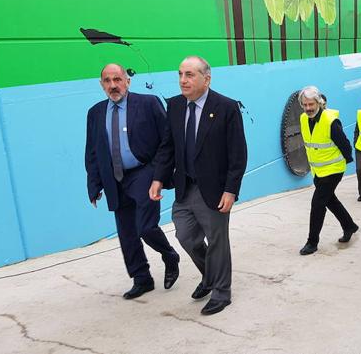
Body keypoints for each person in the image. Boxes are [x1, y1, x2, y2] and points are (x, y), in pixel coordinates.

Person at [149, 56, 247, 315]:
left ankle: (221, 292)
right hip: (184, 187)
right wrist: (158, 177)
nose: (183, 80)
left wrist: (231, 190)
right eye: (181, 74)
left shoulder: (226, 107)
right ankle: (210, 276)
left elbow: (238, 154)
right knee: (186, 237)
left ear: (207, 78)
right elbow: (167, 146)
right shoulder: (175, 106)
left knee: (217, 241)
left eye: (190, 74)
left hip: (214, 190)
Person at [85, 63, 180, 299]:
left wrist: (161, 174)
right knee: (126, 233)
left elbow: (167, 140)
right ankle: (142, 278)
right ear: (101, 85)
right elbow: (93, 151)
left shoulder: (147, 104)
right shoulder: (95, 113)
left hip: (143, 172)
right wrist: (94, 184)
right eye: (107, 81)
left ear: (127, 81)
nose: (113, 85)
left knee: (146, 227)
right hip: (114, 179)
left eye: (117, 79)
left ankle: (170, 255)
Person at [298, 86, 359, 256]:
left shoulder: (330, 121)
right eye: (305, 105)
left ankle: (312, 242)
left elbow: (344, 144)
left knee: (318, 203)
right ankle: (349, 226)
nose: (308, 108)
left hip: (333, 169)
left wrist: (347, 160)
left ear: (318, 103)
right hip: (318, 171)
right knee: (330, 200)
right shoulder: (303, 119)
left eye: (311, 104)